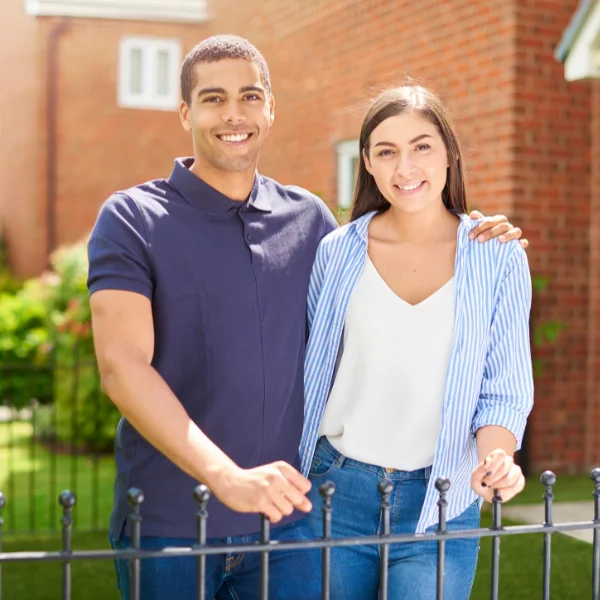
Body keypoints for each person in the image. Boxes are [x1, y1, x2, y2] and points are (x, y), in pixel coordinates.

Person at [87, 34, 526, 600]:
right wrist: (227, 478)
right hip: (174, 521)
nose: (234, 114)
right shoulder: (132, 218)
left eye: (249, 96)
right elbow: (122, 367)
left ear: (271, 108)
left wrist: (483, 235)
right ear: (185, 112)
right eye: (213, 98)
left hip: (290, 521)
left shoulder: (309, 222)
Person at [300, 85, 534, 600]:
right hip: (336, 492)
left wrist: (496, 459)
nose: (405, 167)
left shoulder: (497, 257)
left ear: (449, 153)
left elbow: (505, 386)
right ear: (368, 163)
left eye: (421, 146)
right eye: (386, 151)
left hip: (443, 500)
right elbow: (310, 372)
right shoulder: (337, 253)